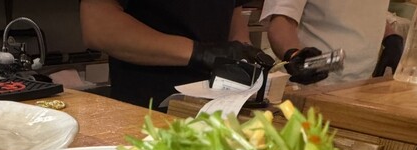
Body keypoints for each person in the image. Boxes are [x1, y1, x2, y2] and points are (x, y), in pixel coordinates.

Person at [79, 0, 273, 109]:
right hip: (146, 109)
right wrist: (198, 52)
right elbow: (98, 25)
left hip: (217, 106)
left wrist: (245, 53)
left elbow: (234, 15)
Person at [260, 0, 404, 85]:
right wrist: (294, 55)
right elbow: (281, 22)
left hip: (364, 83)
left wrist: (390, 37)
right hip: (316, 84)